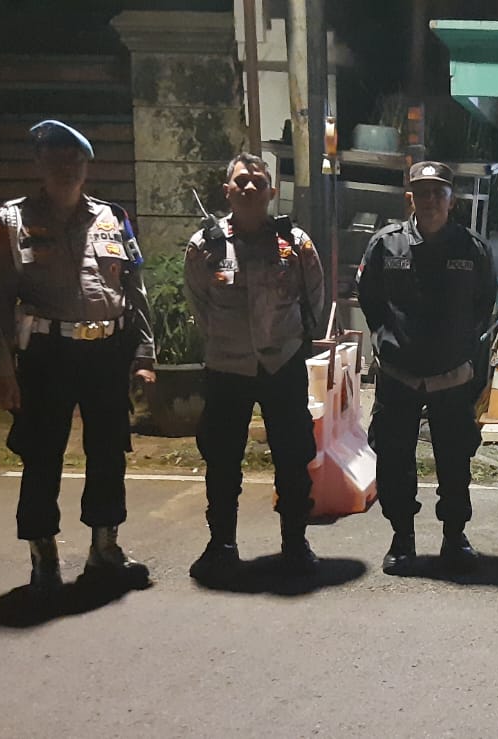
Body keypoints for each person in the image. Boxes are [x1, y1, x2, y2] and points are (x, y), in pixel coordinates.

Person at [0, 120, 155, 594]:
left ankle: (105, 548)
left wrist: (144, 355)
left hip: (107, 352)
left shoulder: (113, 218)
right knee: (42, 454)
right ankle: (43, 554)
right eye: (56, 158)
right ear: (39, 163)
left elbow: (135, 291)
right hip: (48, 353)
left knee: (109, 451)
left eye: (75, 159)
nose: (66, 167)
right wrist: (1, 368)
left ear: (86, 165)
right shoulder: (13, 220)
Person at [184, 153, 325, 579]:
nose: (249, 188)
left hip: (282, 364)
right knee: (222, 458)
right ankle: (222, 545)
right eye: (241, 181)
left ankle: (295, 544)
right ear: (227, 190)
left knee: (293, 455)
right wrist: (227, 342)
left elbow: (314, 297)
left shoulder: (294, 243)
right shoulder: (205, 246)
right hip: (227, 367)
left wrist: (293, 341)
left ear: (271, 191)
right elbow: (199, 304)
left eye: (258, 182)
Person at [357, 162, 498, 576]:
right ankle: (402, 539)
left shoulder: (472, 249)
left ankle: (455, 537)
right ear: (410, 199)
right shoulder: (386, 245)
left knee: (454, 462)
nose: (431, 200)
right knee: (394, 461)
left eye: (439, 192)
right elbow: (369, 299)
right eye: (422, 193)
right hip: (399, 376)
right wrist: (389, 342)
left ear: (452, 200)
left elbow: (484, 304)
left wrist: (462, 349)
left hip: (451, 376)